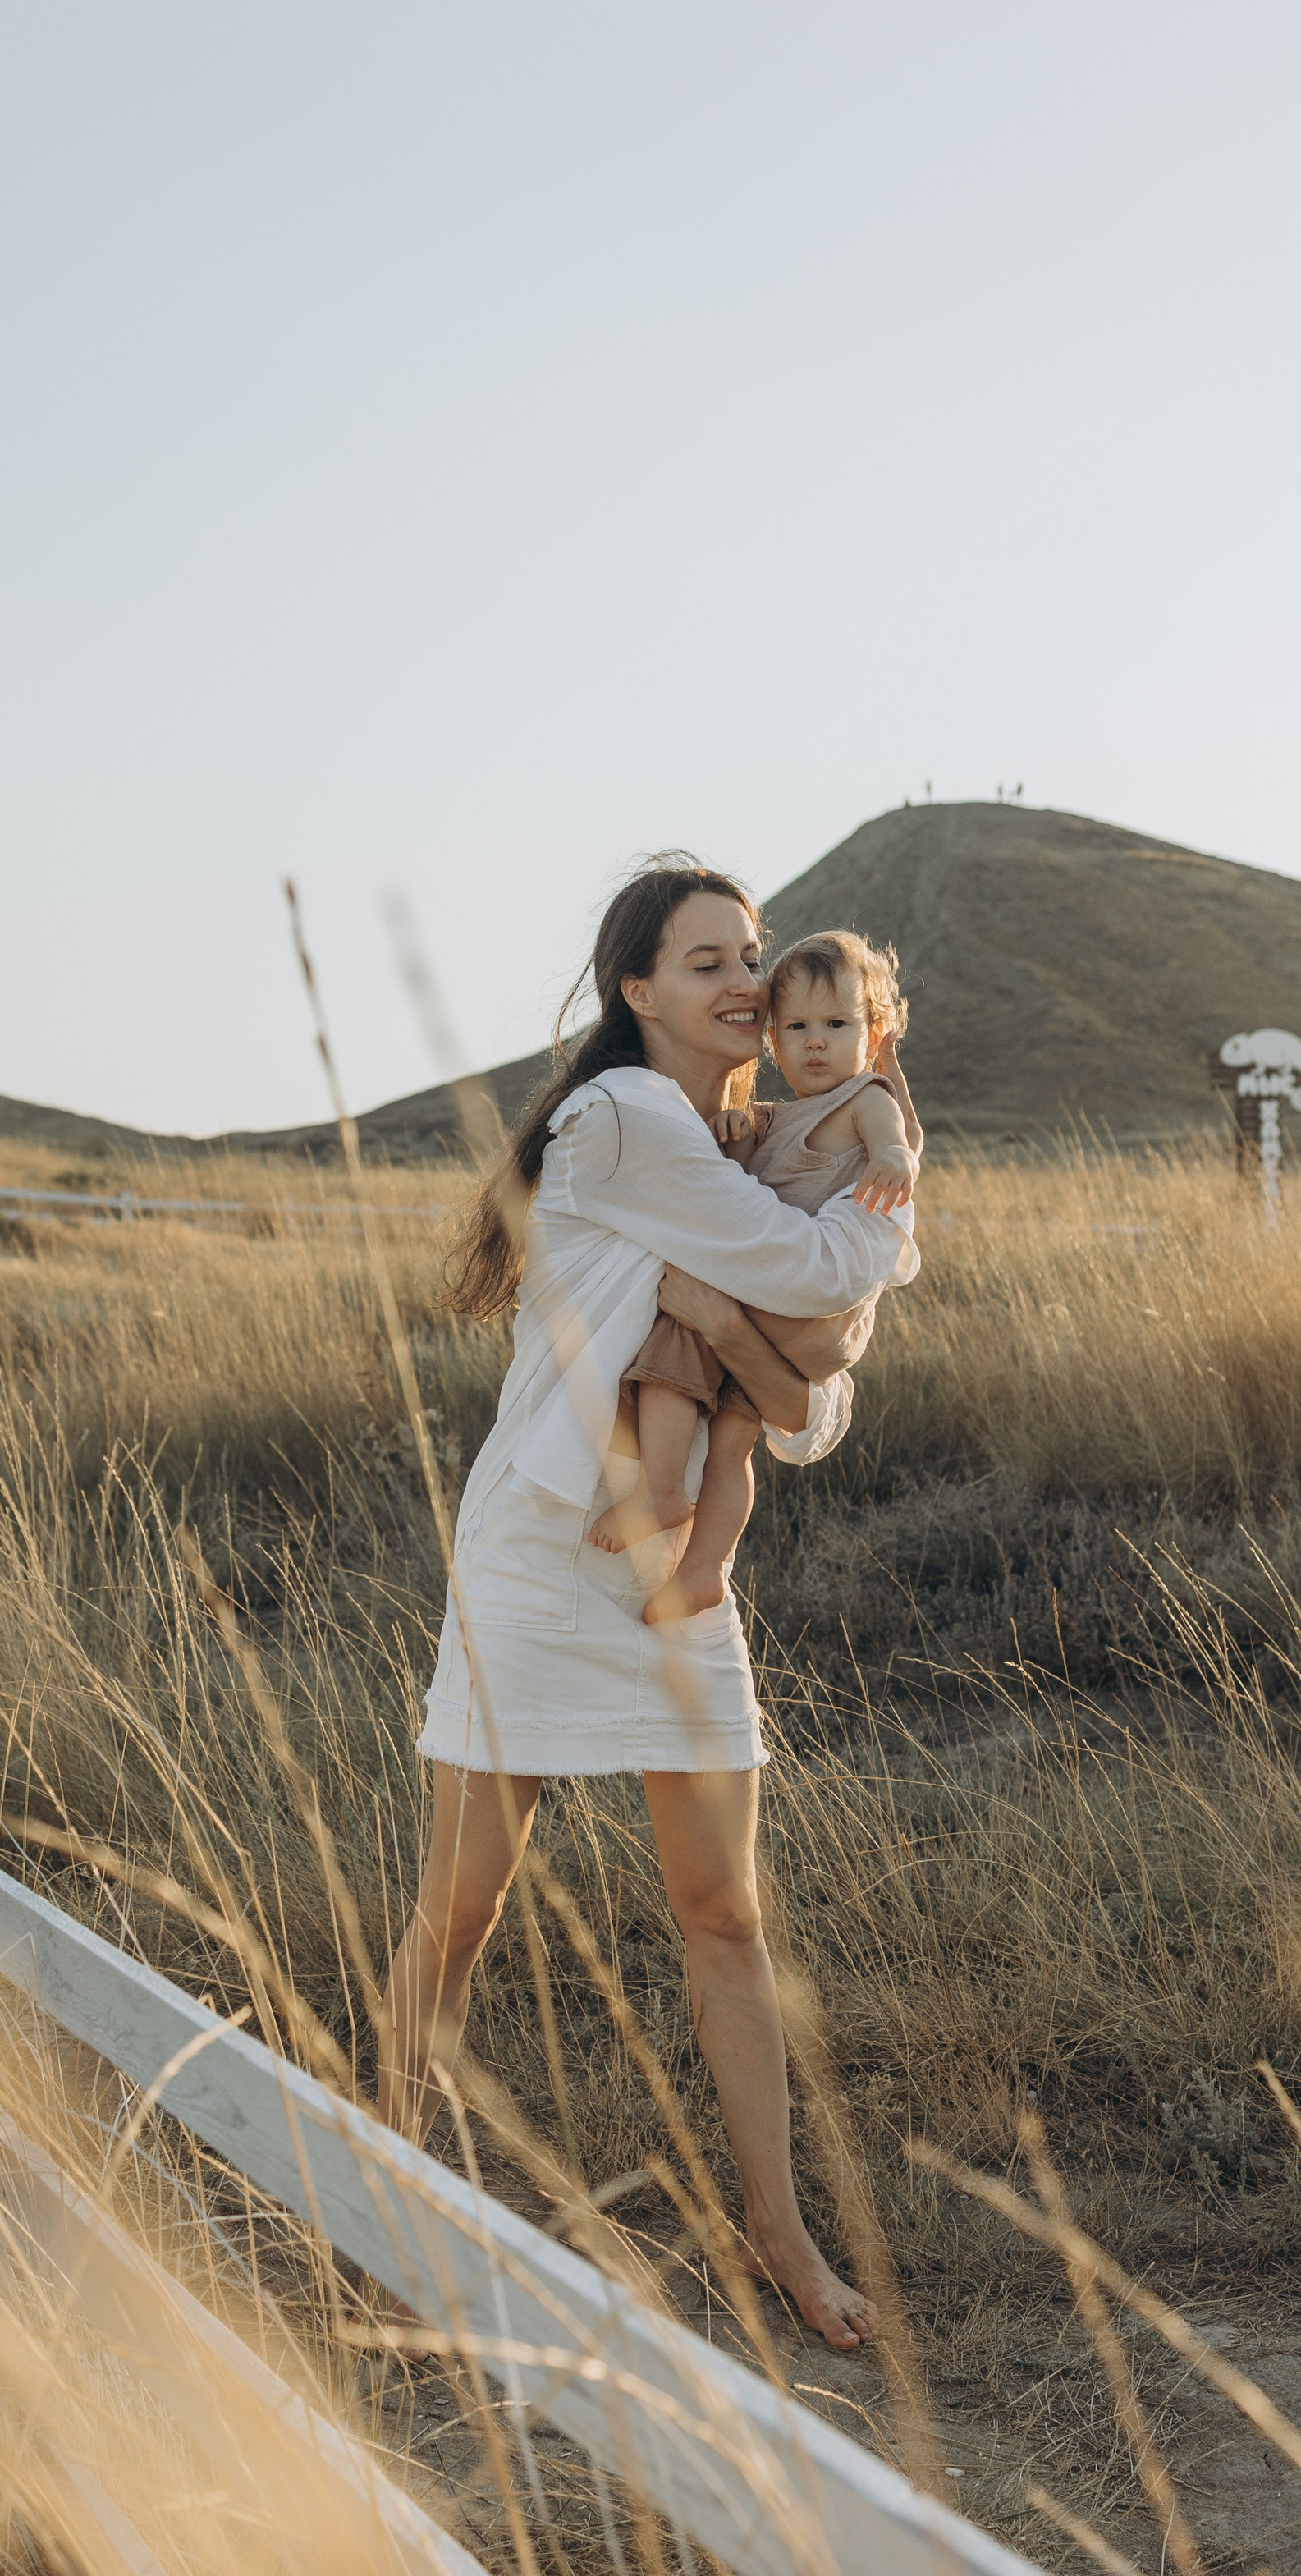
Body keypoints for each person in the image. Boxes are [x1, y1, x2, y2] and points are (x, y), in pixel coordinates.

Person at [384, 859, 918, 2349]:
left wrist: (751, 1319)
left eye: (753, 955)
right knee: (465, 1905)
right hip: (546, 1560)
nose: (745, 980)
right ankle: (389, 2182)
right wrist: (887, 1242)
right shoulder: (624, 1119)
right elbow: (813, 1282)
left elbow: (809, 1414)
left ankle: (777, 2233)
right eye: (706, 963)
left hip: (679, 1580)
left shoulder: (747, 1141)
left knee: (725, 1913)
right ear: (637, 991)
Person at [590, 928, 919, 1623]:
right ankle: (703, 1570)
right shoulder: (770, 1119)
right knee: (734, 1442)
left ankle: (658, 1491)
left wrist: (895, 1159)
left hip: (803, 1309)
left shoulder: (864, 1096)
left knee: (677, 1341)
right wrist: (737, 1141)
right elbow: (733, 1204)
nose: (815, 1043)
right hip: (801, 1336)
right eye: (795, 1027)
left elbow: (899, 1140)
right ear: (772, 1040)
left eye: (837, 1024)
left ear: (874, 1031)